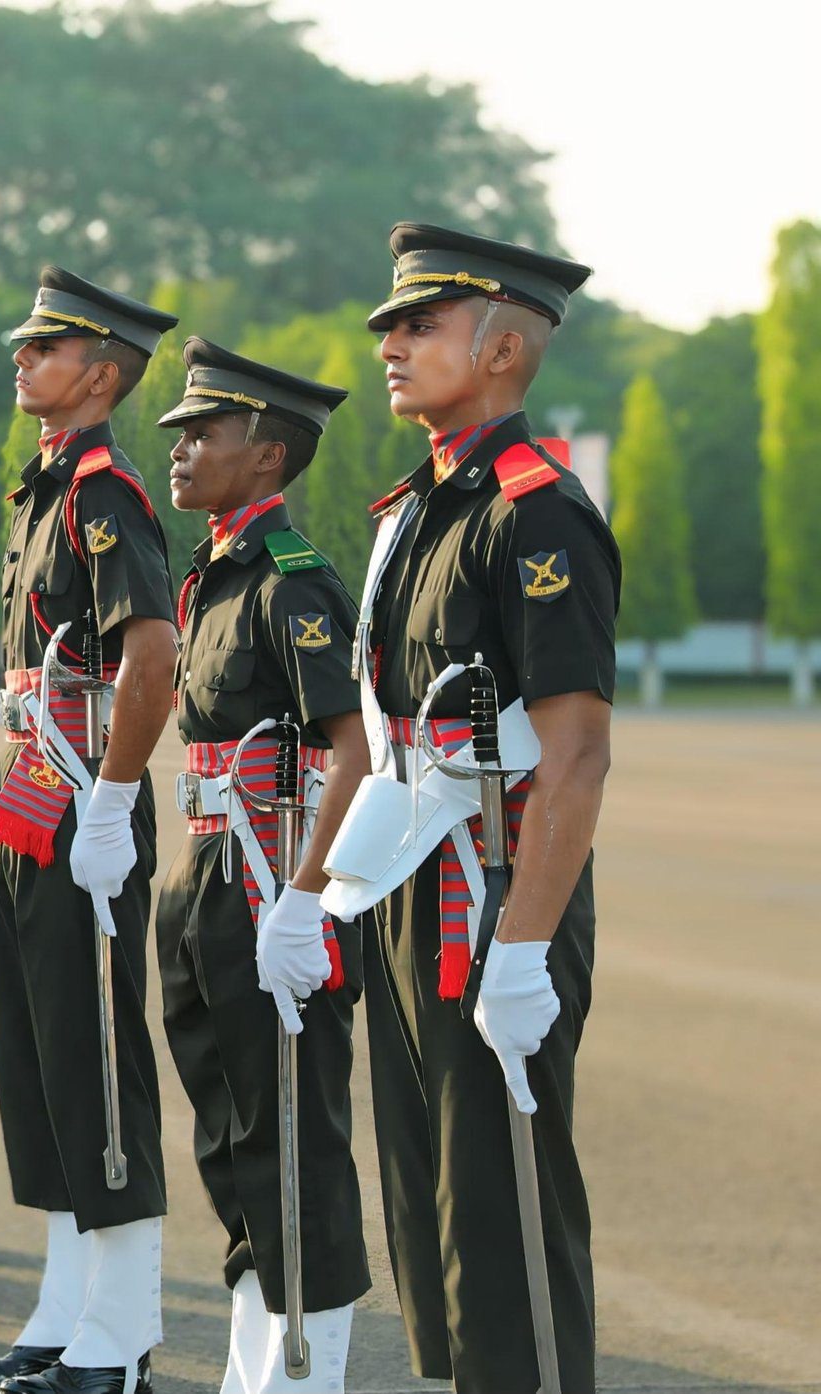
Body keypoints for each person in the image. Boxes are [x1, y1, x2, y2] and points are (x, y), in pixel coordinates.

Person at [336, 223, 613, 1393]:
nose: (389, 345)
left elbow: (576, 752)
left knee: (501, 1203)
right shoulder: (417, 510)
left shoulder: (532, 511)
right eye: (389, 326)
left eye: (420, 324)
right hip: (409, 872)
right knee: (427, 1194)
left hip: (492, 889)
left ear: (501, 349)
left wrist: (526, 943)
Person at [0, 267, 181, 1394]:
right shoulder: (42, 487)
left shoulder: (102, 493)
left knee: (94, 1057)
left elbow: (152, 652)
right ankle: (62, 1307)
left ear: (99, 375)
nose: (21, 359)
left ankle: (121, 1328)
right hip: (28, 790)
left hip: (85, 792)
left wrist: (113, 798)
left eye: (44, 348)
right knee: (38, 1054)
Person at [152, 339, 371, 1391]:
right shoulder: (210, 578)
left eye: (203, 433)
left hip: (270, 879)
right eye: (180, 434)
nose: (179, 450)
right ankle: (254, 1358)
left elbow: (355, 751)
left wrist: (305, 900)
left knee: (292, 1135)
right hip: (204, 873)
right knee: (230, 1136)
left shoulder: (292, 584)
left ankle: (305, 1371)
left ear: (268, 455)